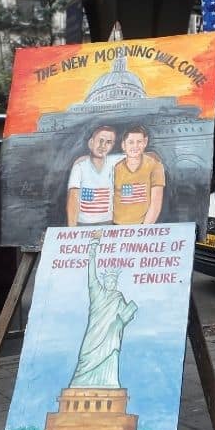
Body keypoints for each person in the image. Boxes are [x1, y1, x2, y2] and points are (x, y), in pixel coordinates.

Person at [70, 231, 138, 388]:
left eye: (113, 280)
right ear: (104, 281)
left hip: (110, 337)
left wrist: (127, 315)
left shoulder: (118, 296)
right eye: (108, 280)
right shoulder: (97, 292)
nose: (111, 283)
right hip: (94, 334)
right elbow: (92, 276)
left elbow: (124, 317)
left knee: (111, 354)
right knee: (84, 356)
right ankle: (79, 385)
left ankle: (109, 384)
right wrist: (92, 255)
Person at [66, 125, 120, 226]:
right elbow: (73, 199)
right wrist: (72, 229)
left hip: (109, 223)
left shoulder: (115, 162)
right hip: (83, 223)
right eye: (100, 140)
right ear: (91, 142)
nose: (103, 146)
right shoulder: (80, 166)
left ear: (112, 145)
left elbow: (143, 155)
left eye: (108, 142)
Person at [112, 125, 165, 225]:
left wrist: (144, 229)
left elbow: (155, 204)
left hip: (142, 226)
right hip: (117, 226)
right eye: (131, 142)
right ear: (123, 145)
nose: (135, 146)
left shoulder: (155, 165)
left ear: (145, 142)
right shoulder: (115, 167)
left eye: (139, 142)